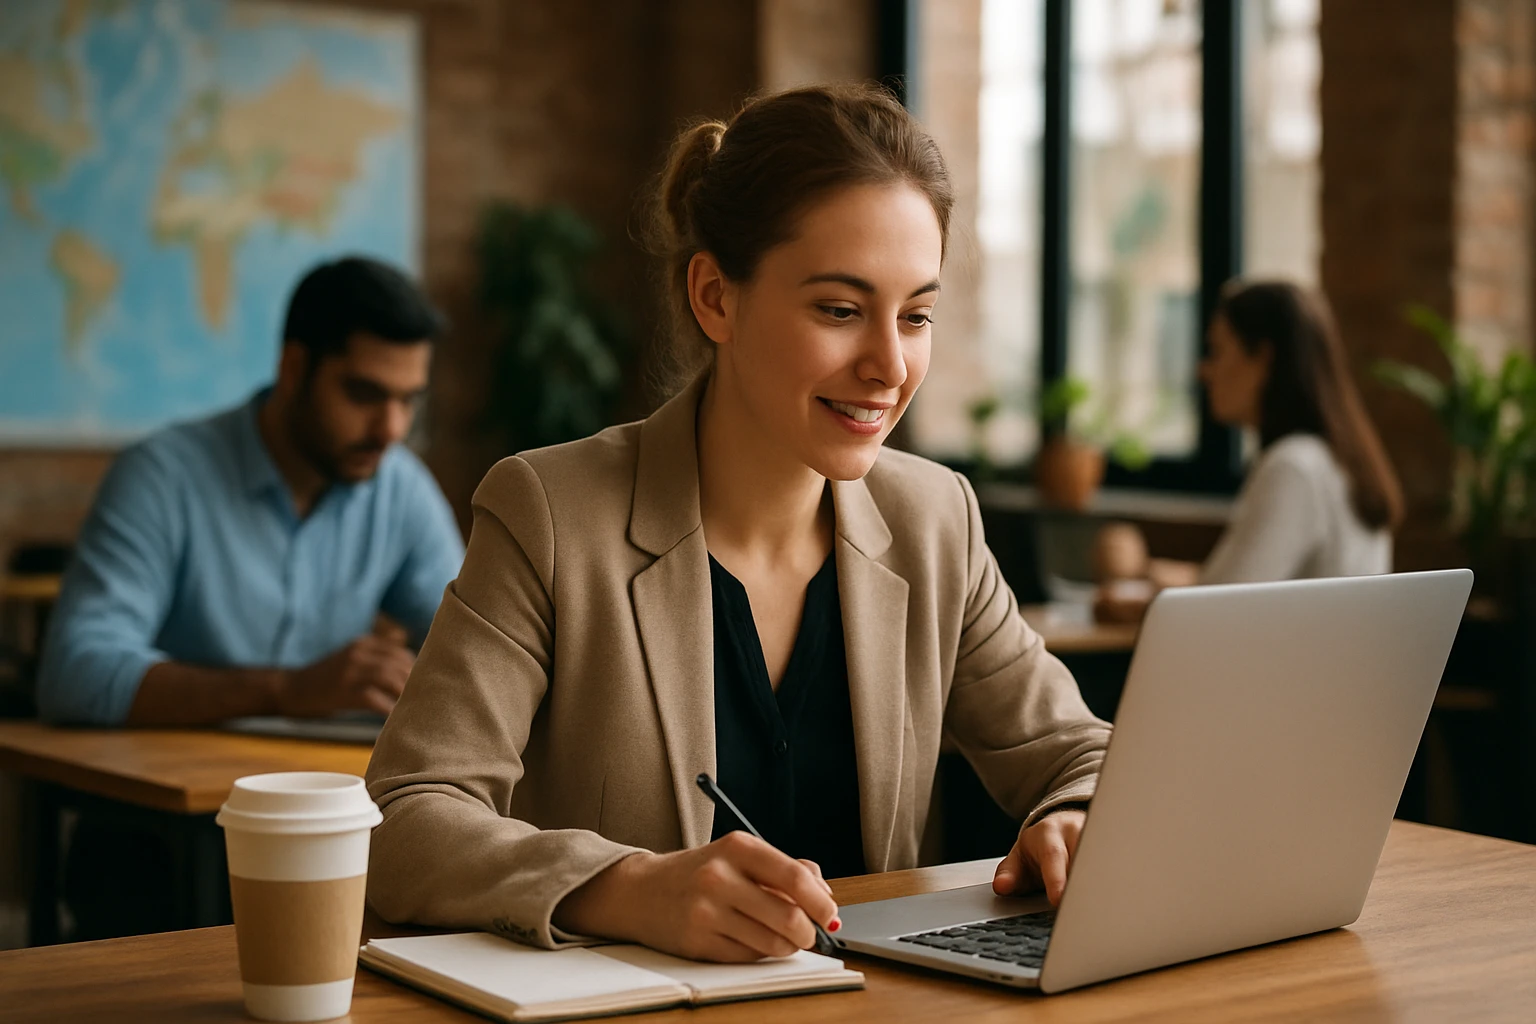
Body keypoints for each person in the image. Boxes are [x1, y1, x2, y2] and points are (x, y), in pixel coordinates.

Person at [365, 84, 1111, 965]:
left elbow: (1080, 754)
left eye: (916, 316)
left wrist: (1074, 816)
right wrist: (627, 888)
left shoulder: (934, 518)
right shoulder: (553, 513)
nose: (889, 364)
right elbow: (403, 817)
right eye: (840, 309)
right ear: (716, 297)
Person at [38, 256, 465, 727]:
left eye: (408, 401)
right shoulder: (162, 476)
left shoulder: (401, 490)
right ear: (293, 368)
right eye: (363, 394)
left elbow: (478, 652)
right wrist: (287, 690)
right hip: (171, 790)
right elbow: (75, 675)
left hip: (330, 796)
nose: (391, 430)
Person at [1187, 280, 1404, 584]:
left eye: (1217, 350)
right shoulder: (1333, 459)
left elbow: (1222, 604)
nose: (1204, 370)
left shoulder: (1293, 467)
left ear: (1263, 358)